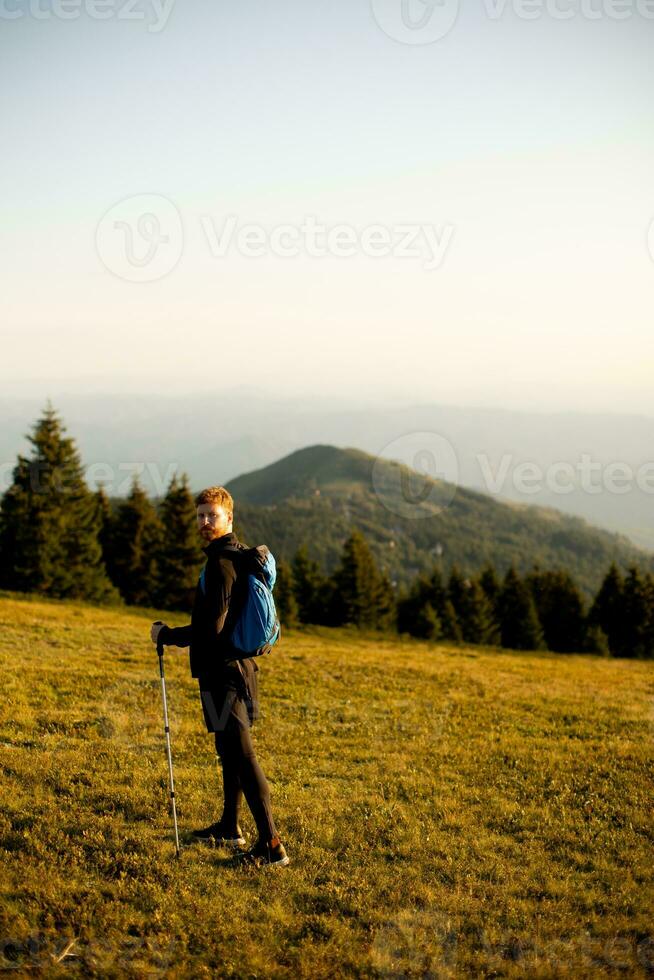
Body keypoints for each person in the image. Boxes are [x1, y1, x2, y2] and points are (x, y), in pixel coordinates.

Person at [150, 485, 289, 868]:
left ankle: (272, 845)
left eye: (212, 515)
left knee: (243, 755)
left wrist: (169, 636)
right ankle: (230, 826)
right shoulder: (231, 557)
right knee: (228, 751)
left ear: (229, 518)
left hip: (227, 673)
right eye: (200, 516)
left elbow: (210, 628)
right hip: (228, 670)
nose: (205, 522)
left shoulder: (222, 563)